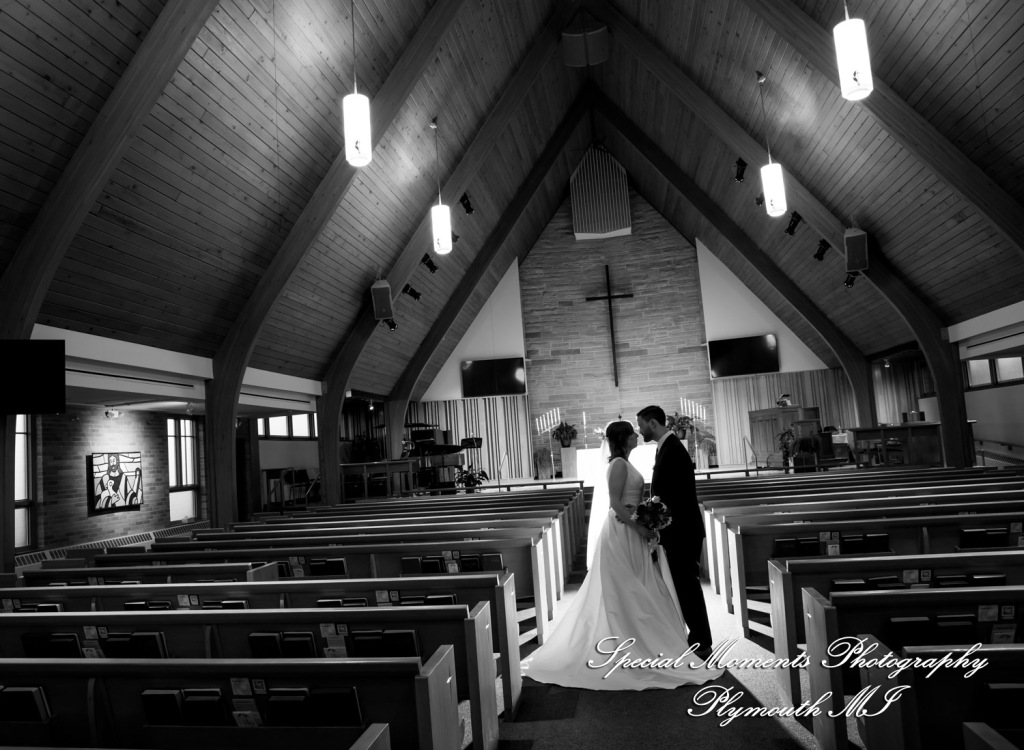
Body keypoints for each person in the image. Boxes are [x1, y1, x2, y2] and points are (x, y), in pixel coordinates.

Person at [521, 420, 723, 689]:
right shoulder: (617, 464)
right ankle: (629, 641)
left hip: (632, 530)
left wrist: (648, 518)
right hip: (622, 531)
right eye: (632, 433)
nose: (636, 435)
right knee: (627, 587)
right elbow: (616, 503)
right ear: (622, 438)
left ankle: (642, 640)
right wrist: (640, 526)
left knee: (640, 584)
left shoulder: (625, 462)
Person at [637, 405, 714, 658]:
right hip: (679, 529)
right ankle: (698, 637)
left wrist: (651, 516)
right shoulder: (667, 448)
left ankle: (702, 641)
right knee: (684, 585)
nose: (639, 431)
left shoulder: (672, 449)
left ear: (652, 424)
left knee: (687, 585)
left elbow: (673, 497)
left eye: (641, 425)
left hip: (682, 531)